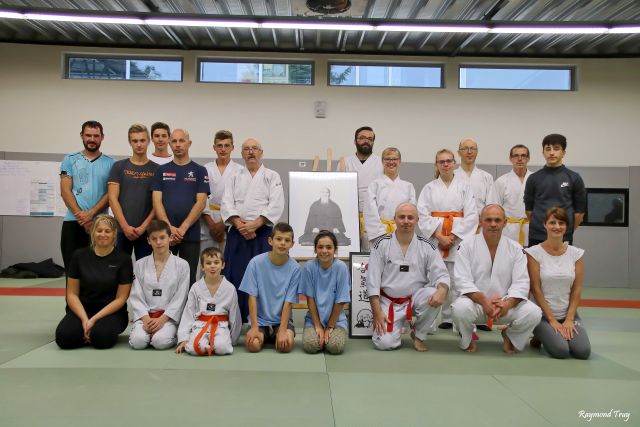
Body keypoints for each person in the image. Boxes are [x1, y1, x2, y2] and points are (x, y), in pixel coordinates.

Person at [452, 205, 542, 353]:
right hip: (476, 304)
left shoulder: (516, 248)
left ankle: (510, 335)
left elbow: (521, 283)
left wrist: (507, 304)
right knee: (459, 309)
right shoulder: (466, 246)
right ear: (480, 221)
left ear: (505, 222)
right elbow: (462, 281)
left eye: (497, 220)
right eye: (488, 220)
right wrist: (483, 301)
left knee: (534, 313)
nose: (493, 224)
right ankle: (467, 339)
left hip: (505, 305)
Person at [366, 203, 450, 352]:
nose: (406, 221)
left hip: (415, 299)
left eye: (410, 217)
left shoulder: (427, 246)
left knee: (433, 293)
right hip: (388, 301)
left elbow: (442, 273)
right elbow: (372, 281)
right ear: (394, 219)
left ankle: (418, 335)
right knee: (384, 344)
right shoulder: (381, 244)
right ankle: (394, 330)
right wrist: (377, 312)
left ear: (417, 220)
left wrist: (442, 290)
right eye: (402, 217)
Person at [221, 138, 285, 322]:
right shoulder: (234, 175)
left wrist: (256, 224)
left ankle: (262, 318)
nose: (251, 152)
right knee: (236, 274)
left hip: (262, 232)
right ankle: (236, 318)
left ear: (261, 152)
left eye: (254, 149)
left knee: (262, 276)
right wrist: (240, 224)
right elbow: (226, 202)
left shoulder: (272, 176)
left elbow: (276, 204)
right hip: (237, 231)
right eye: (247, 149)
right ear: (241, 154)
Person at [417, 149, 478, 330]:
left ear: (454, 163)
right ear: (436, 165)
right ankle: (429, 323)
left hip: (458, 241)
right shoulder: (429, 188)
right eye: (441, 162)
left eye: (448, 161)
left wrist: (453, 236)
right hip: (436, 240)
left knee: (459, 280)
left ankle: (459, 322)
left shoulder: (465, 187)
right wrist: (439, 235)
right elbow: (422, 214)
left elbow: (472, 215)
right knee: (433, 279)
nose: (445, 164)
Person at [55, 215, 132, 349]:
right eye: (99, 230)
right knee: (64, 338)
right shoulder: (78, 256)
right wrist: (85, 319)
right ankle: (85, 332)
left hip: (111, 313)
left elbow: (121, 298)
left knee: (101, 339)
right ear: (92, 232)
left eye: (107, 231)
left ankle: (90, 333)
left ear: (114, 234)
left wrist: (94, 319)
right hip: (82, 310)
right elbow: (72, 294)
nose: (103, 234)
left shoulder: (123, 259)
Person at [526, 207, 590, 359]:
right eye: (552, 222)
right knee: (561, 351)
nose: (557, 226)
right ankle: (540, 335)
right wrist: (552, 320)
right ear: (545, 225)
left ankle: (554, 334)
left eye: (561, 223)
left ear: (566, 226)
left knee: (582, 352)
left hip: (568, 314)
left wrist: (569, 319)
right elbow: (535, 289)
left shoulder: (576, 254)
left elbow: (577, 289)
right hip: (542, 316)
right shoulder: (534, 253)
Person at [151, 128, 209, 286]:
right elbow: (157, 202)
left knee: (188, 278)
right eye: (174, 141)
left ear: (189, 143)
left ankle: (187, 311)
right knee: (162, 278)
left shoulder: (199, 170)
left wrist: (183, 228)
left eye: (181, 141)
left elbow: (201, 202)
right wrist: (169, 229)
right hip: (165, 236)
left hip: (189, 235)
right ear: (169, 143)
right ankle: (164, 311)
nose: (177, 145)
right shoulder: (161, 170)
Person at [59, 120, 115, 272]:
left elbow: (111, 194)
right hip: (73, 223)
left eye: (96, 136)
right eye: (88, 135)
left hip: (100, 225)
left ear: (102, 137)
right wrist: (82, 218)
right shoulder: (69, 160)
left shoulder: (111, 164)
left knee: (97, 272)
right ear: (81, 136)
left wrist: (90, 215)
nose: (92, 139)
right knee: (72, 272)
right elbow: (65, 191)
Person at [128, 220, 190, 350]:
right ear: (148, 241)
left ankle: (166, 333)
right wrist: (145, 319)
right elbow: (136, 294)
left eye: (162, 238)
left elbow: (180, 297)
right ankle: (142, 332)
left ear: (170, 238)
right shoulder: (140, 264)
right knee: (138, 342)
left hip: (168, 318)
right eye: (154, 239)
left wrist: (163, 319)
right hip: (145, 317)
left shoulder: (182, 265)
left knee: (160, 342)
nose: (158, 242)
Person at [239, 223, 301, 353]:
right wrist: (255, 327)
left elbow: (288, 303)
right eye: (279, 239)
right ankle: (264, 334)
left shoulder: (295, 268)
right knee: (253, 346)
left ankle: (276, 334)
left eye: (287, 240)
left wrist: (283, 331)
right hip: (260, 320)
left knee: (286, 346)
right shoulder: (255, 263)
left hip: (281, 321)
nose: (283, 243)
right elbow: (252, 297)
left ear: (292, 244)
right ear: (270, 241)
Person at [176, 247, 241, 356]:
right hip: (201, 324)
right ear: (202, 266)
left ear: (223, 265)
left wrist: (233, 338)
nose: (212, 266)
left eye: (216, 262)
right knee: (193, 349)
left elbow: (235, 315)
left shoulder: (230, 288)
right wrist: (183, 338)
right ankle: (207, 345)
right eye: (208, 263)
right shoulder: (196, 287)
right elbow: (189, 313)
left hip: (221, 325)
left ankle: (215, 344)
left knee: (222, 348)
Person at [524, 133, 586, 247]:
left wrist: (567, 230)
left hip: (563, 236)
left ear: (563, 152)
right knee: (535, 265)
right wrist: (541, 227)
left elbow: (579, 213)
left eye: (556, 149)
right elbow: (529, 211)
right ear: (543, 153)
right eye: (548, 149)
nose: (551, 152)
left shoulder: (574, 178)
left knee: (563, 265)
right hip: (537, 236)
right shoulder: (533, 179)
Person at [108, 124, 157, 260]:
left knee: (146, 275)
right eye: (135, 141)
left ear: (148, 141)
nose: (139, 144)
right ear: (130, 142)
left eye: (142, 140)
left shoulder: (157, 169)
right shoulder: (118, 167)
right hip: (121, 231)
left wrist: (143, 227)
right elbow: (112, 199)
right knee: (120, 272)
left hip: (147, 232)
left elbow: (157, 203)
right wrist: (125, 227)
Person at [300, 230, 350, 354]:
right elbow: (310, 299)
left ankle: (327, 338)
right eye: (320, 247)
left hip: (337, 320)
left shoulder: (341, 267)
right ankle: (320, 338)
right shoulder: (309, 267)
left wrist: (330, 326)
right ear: (315, 249)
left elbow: (341, 300)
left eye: (329, 247)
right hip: (313, 319)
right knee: (311, 345)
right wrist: (317, 326)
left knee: (335, 347)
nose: (324, 251)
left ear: (335, 249)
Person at [200, 130, 242, 254]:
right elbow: (201, 198)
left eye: (227, 146)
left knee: (227, 264)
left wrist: (223, 224)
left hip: (230, 223)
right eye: (219, 145)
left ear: (232, 148)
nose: (223, 149)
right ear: (214, 147)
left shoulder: (240, 171)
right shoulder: (204, 169)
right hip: (208, 223)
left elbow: (240, 200)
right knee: (207, 264)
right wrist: (212, 225)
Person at [363, 147, 416, 241]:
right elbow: (369, 211)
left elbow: (411, 213)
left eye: (394, 159)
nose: (391, 162)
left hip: (401, 231)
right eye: (387, 159)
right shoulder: (375, 184)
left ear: (399, 161)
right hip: (379, 233)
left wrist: (404, 230)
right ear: (382, 161)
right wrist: (379, 233)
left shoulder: (408, 186)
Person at [345, 126, 384, 250]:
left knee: (372, 252)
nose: (366, 141)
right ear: (355, 140)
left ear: (373, 142)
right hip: (350, 215)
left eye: (369, 138)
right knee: (351, 250)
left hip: (374, 216)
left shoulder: (381, 163)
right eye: (362, 138)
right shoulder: (345, 162)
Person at [487, 144, 532, 246]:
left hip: (531, 229)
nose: (519, 159)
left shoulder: (536, 179)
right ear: (510, 158)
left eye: (523, 156)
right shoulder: (501, 181)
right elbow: (494, 208)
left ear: (528, 158)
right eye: (516, 156)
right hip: (508, 231)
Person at [457, 138, 494, 214]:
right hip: (458, 222)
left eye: (473, 149)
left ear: (477, 152)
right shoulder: (452, 176)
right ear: (459, 153)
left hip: (481, 223)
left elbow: (491, 205)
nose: (469, 152)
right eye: (465, 149)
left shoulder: (487, 177)